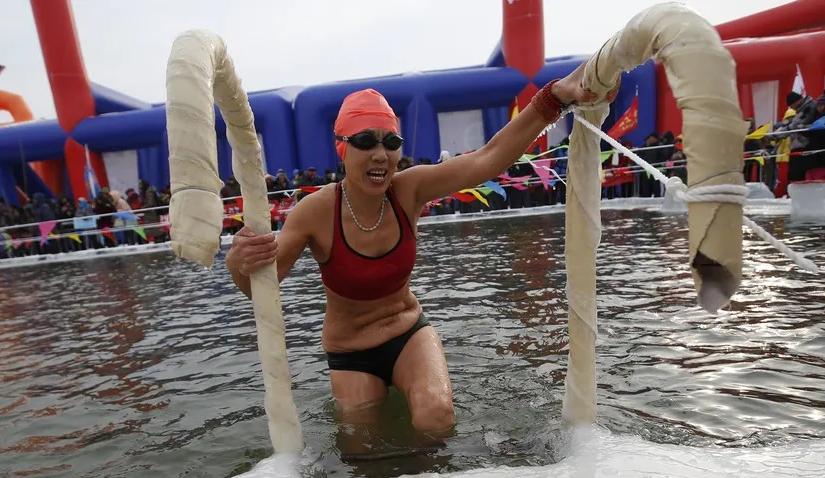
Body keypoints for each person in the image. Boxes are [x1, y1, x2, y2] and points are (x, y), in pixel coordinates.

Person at [226, 63, 616, 441]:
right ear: (341, 148)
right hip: (350, 350)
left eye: (391, 142)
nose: (380, 154)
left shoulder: (408, 190)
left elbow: (486, 159)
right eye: (365, 141)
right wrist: (239, 264)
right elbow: (263, 289)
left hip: (407, 332)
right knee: (362, 442)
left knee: (436, 417)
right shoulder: (314, 212)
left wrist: (554, 98)